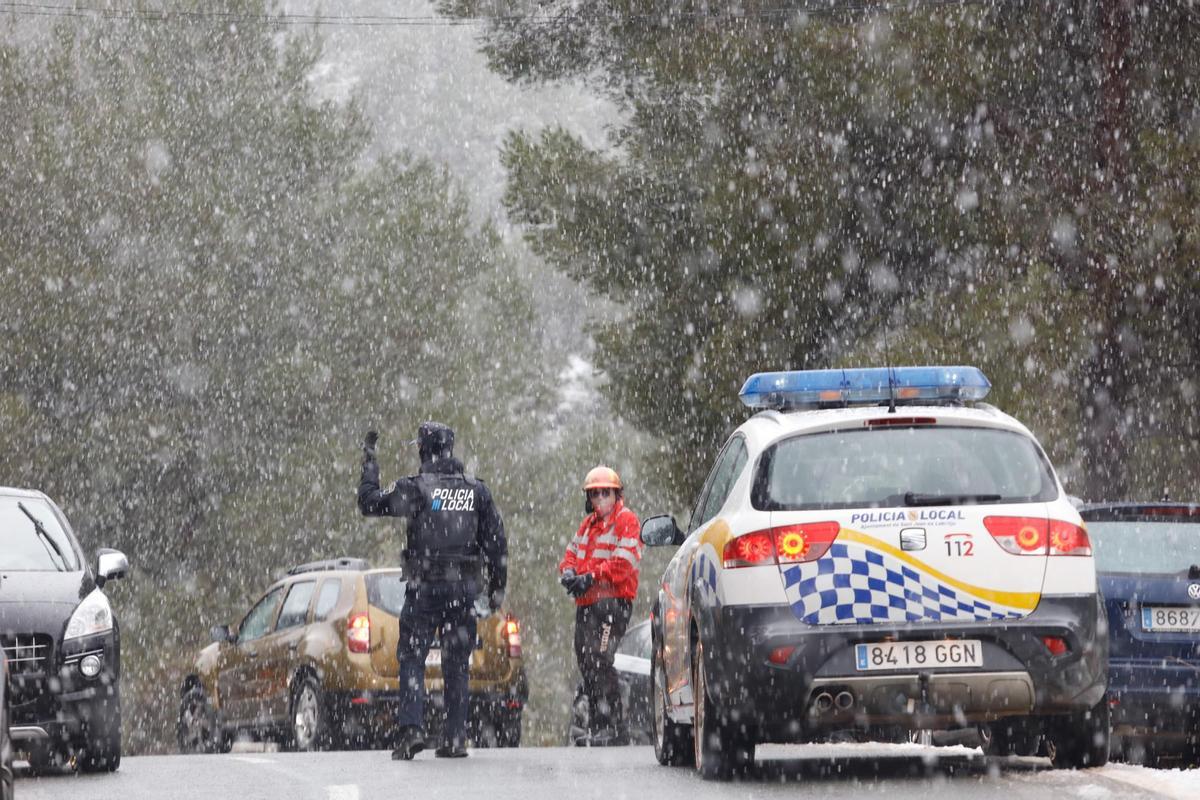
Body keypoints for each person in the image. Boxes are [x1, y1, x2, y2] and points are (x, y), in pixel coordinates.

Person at [358, 422, 507, 760]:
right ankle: (455, 738)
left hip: (424, 590)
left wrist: (369, 462)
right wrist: (497, 588)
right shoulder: (476, 491)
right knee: (457, 663)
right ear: (450, 449)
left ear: (424, 450)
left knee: (412, 658)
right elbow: (497, 543)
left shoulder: (415, 488)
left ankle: (412, 730)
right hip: (462, 593)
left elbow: (369, 503)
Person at [559, 465, 642, 746]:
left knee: (600, 658)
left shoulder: (627, 520)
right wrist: (569, 573)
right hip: (587, 604)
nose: (599, 499)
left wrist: (591, 576)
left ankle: (613, 726)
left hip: (613, 604)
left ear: (616, 494)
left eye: (605, 493)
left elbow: (623, 564)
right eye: (594, 494)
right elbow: (570, 554)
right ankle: (598, 725)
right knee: (586, 661)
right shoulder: (588, 526)